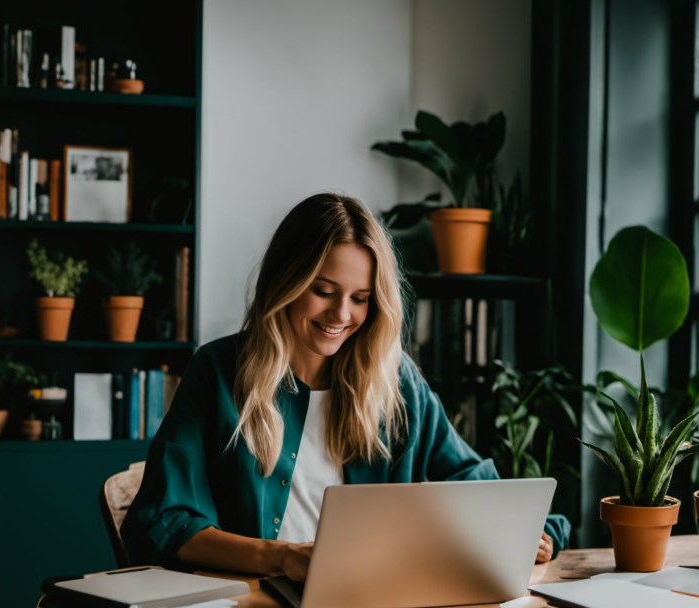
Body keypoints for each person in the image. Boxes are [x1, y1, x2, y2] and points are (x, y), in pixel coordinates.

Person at [123, 191, 570, 576]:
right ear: (286, 281)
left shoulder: (395, 383)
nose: (341, 316)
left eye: (360, 299)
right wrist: (281, 559)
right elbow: (166, 521)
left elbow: (474, 483)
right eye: (323, 290)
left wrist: (535, 532)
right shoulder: (217, 372)